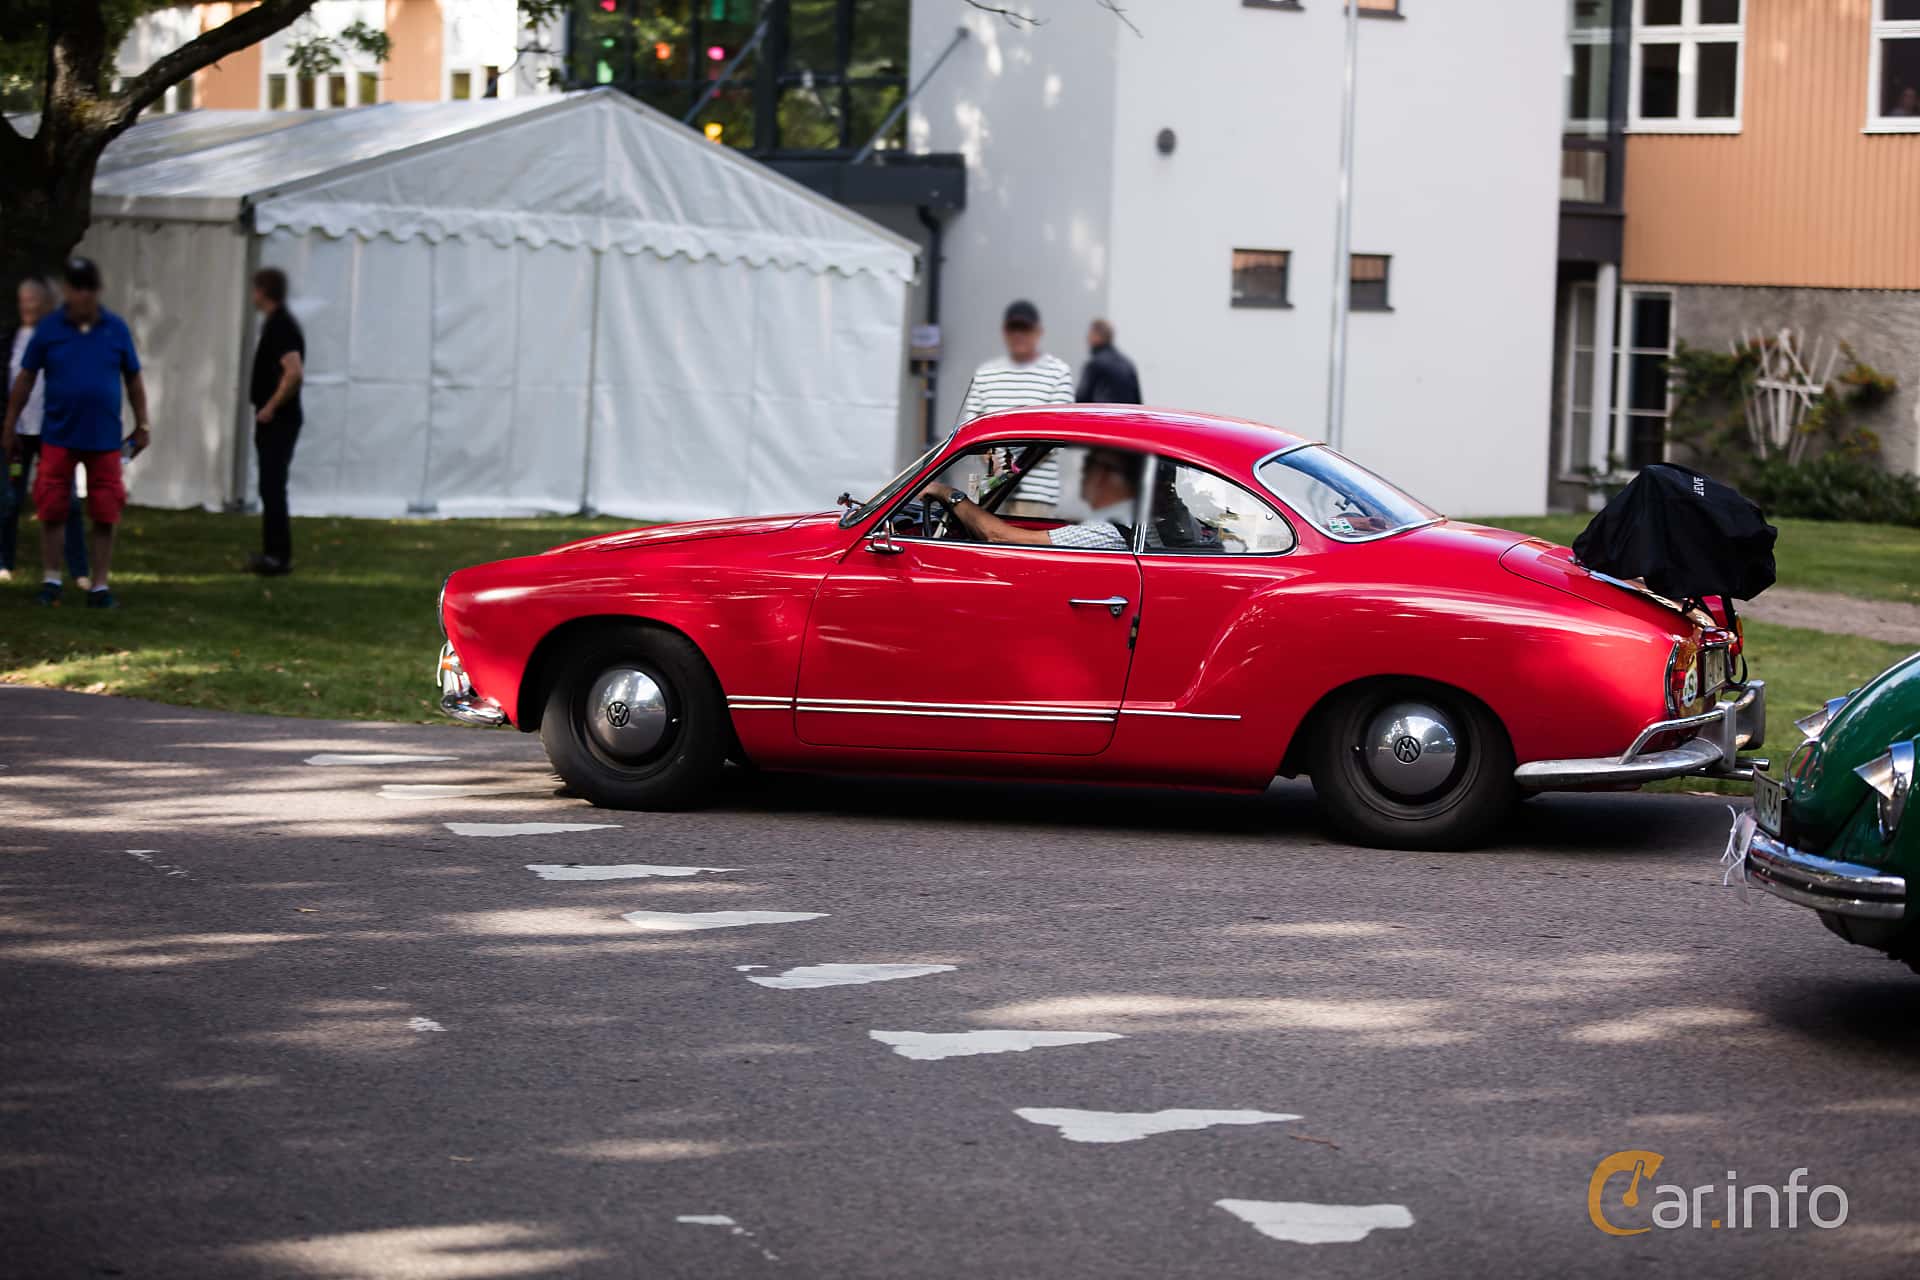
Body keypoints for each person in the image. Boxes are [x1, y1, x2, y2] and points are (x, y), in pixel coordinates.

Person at [0, 257, 149, 609]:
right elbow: (26, 377)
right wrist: (10, 424)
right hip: (59, 435)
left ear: (96, 291)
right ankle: (51, 579)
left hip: (103, 439)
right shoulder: (50, 330)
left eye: (87, 289)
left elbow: (133, 377)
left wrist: (142, 424)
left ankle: (98, 585)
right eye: (75, 288)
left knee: (105, 509)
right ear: (67, 291)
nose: (81, 296)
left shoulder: (116, 328)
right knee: (52, 507)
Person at [2, 277, 89, 585]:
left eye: (33, 300)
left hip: (54, 433)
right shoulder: (12, 338)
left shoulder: (60, 338)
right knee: (10, 497)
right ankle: (4, 562)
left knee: (68, 499)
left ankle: (79, 569)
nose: (27, 306)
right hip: (19, 434)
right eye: (23, 300)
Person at [961, 300, 1075, 511]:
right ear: (1004, 332)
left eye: (1025, 329)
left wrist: (1010, 470)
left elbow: (1057, 434)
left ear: (1038, 332)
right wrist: (993, 463)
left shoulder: (1058, 372)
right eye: (1014, 329)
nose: (1019, 335)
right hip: (986, 493)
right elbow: (970, 428)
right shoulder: (985, 374)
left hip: (1036, 497)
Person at [918, 447, 1141, 551]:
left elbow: (998, 537)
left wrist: (949, 494)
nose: (1085, 477)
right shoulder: (1137, 520)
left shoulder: (1111, 528)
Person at [247, 267, 306, 576]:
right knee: (269, 486)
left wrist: (270, 406)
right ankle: (272, 552)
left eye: (255, 289)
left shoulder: (281, 326)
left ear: (263, 291)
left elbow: (293, 371)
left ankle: (278, 556)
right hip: (275, 418)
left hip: (279, 420)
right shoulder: (276, 324)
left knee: (273, 485)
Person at [1076, 318, 1142, 405]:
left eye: (1090, 334)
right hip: (1125, 417)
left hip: (1102, 416)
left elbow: (1082, 398)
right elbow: (1137, 400)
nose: (1087, 338)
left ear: (1097, 336)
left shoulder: (1094, 364)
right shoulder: (1128, 364)